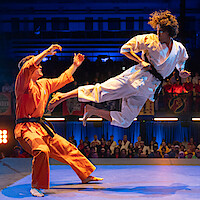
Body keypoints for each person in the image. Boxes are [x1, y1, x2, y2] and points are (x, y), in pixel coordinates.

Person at [48, 10, 190, 128]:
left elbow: (181, 61)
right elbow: (125, 49)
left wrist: (181, 70)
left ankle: (91, 110)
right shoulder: (149, 39)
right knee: (102, 91)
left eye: (161, 32)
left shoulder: (179, 48)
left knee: (125, 121)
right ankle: (63, 96)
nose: (158, 34)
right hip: (136, 78)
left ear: (169, 32)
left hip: (149, 88)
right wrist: (141, 60)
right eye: (157, 31)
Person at [14, 44, 103, 197]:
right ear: (29, 69)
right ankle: (36, 186)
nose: (40, 67)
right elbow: (28, 67)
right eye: (37, 65)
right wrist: (47, 51)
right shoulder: (22, 83)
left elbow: (62, 79)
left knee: (67, 147)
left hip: (40, 127)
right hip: (26, 128)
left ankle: (85, 175)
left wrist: (75, 65)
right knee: (42, 151)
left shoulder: (43, 84)